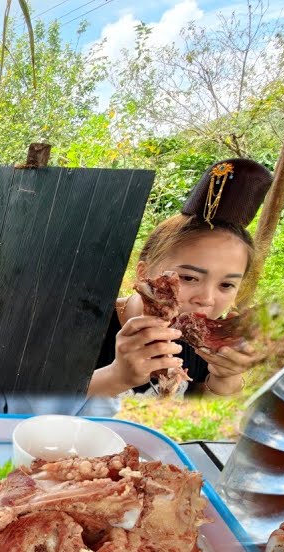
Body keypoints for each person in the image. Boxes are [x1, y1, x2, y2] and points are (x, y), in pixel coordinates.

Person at [87, 158, 273, 399]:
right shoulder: (85, 325)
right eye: (188, 277)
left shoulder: (203, 346)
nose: (206, 300)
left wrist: (225, 379)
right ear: (143, 273)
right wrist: (116, 377)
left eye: (226, 285)